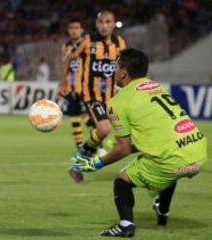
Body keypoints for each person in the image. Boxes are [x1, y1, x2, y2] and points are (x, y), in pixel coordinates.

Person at [70, 48, 208, 237]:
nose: (115, 71)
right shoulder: (156, 86)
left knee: (122, 179)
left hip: (172, 160)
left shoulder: (118, 102)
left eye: (117, 67)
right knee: (167, 169)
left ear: (124, 72)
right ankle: (163, 210)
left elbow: (123, 148)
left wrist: (96, 163)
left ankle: (126, 225)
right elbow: (157, 137)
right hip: (198, 153)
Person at [65, 10, 127, 182]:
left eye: (108, 22)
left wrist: (121, 87)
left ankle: (77, 164)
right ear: (96, 24)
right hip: (91, 96)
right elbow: (69, 57)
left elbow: (123, 68)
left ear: (114, 24)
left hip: (111, 97)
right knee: (104, 129)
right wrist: (63, 83)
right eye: (101, 22)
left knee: (125, 137)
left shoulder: (120, 43)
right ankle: (79, 162)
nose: (104, 25)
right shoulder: (88, 41)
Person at [59, 19, 92, 148]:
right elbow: (64, 66)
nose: (74, 30)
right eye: (71, 28)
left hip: (85, 87)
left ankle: (99, 146)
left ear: (82, 30)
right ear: (68, 30)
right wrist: (61, 85)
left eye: (77, 27)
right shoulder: (66, 46)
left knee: (88, 117)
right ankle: (80, 148)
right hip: (71, 88)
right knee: (74, 118)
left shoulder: (88, 44)